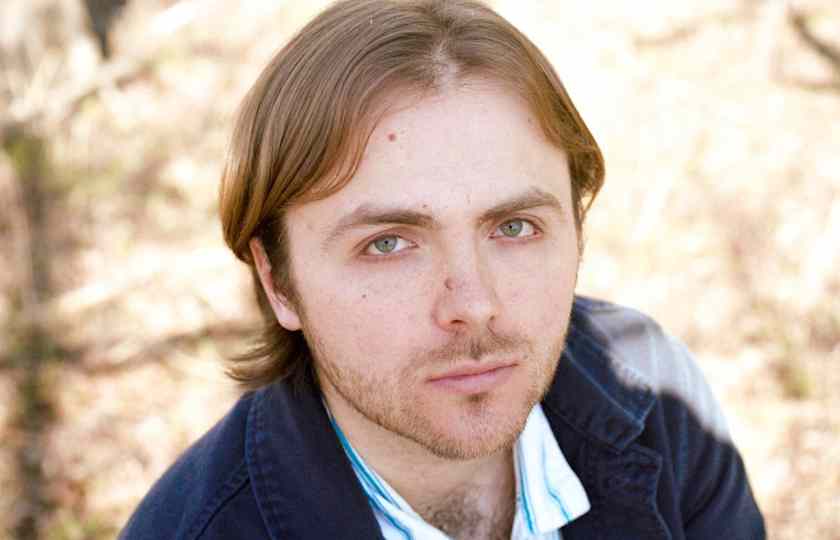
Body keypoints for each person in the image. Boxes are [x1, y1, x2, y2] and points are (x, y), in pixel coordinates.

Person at [120, 1, 766, 538]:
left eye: (514, 227)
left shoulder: (656, 392)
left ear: (576, 229)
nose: (474, 304)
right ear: (277, 282)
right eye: (388, 244)